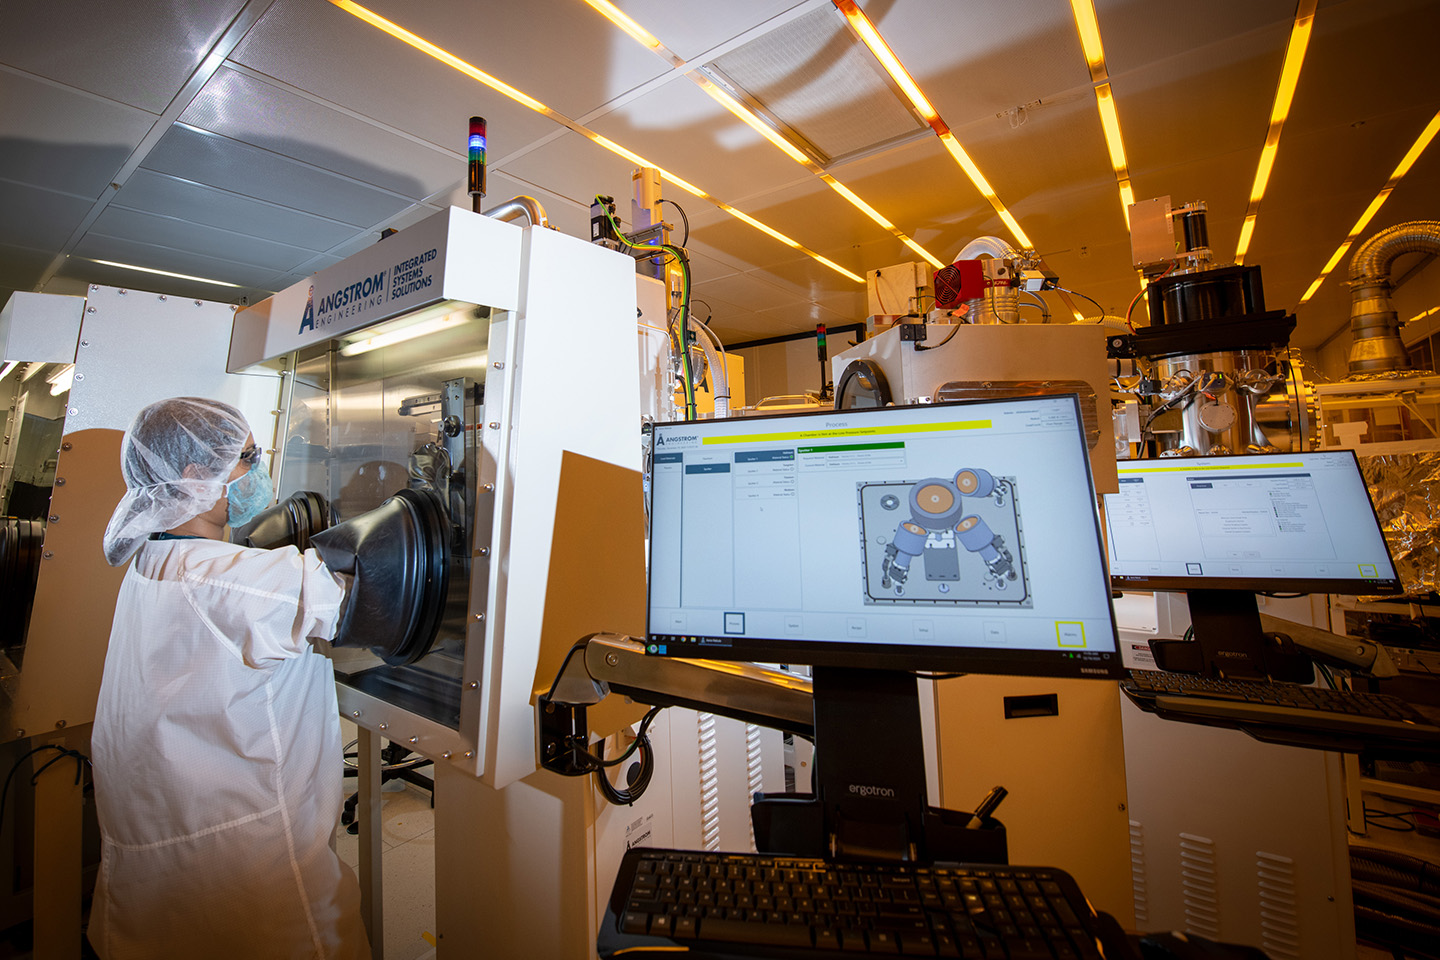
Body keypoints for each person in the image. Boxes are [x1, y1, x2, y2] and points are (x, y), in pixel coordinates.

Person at [89, 397, 370, 960]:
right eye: (245, 458)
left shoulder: (154, 560)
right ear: (198, 476)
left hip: (153, 875)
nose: (258, 472)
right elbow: (371, 594)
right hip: (251, 878)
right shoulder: (230, 582)